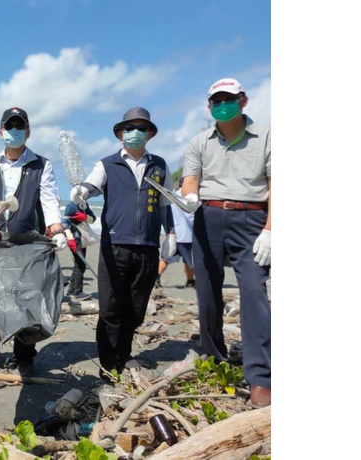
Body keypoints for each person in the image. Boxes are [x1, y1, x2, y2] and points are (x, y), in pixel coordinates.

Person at [181, 78, 271, 408]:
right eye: (216, 101)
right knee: (206, 292)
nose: (223, 105)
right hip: (208, 216)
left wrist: (271, 230)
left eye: (229, 99)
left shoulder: (268, 136)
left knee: (254, 292)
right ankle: (215, 359)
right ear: (209, 107)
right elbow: (191, 180)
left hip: (252, 217)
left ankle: (261, 377)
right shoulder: (199, 142)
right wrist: (190, 197)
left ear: (243, 100)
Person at [70, 107, 176, 378]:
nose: (135, 133)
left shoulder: (159, 165)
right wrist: (81, 192)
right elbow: (91, 187)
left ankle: (124, 354)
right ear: (120, 133)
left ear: (150, 134)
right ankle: (108, 362)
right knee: (111, 308)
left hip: (148, 248)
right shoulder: (107, 164)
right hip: (114, 246)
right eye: (130, 128)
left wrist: (171, 234)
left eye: (141, 128)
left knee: (136, 308)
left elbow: (165, 204)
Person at [0, 107, 67, 376]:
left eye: (19, 126)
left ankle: (24, 357)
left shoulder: (41, 165)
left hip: (27, 243)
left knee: (27, 299)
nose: (14, 131)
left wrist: (57, 230)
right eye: (9, 127)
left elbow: (49, 200)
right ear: (1, 132)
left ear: (28, 132)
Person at [156, 178, 195, 289]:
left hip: (173, 233)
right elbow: (193, 218)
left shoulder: (172, 196)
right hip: (186, 235)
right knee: (189, 261)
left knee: (166, 258)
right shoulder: (191, 198)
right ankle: (190, 280)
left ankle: (156, 278)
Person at [62, 201, 97, 299]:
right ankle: (77, 291)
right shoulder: (71, 206)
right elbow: (64, 222)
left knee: (78, 264)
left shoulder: (84, 205)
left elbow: (93, 218)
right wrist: (70, 238)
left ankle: (71, 290)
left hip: (82, 239)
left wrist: (85, 217)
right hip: (73, 238)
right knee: (81, 264)